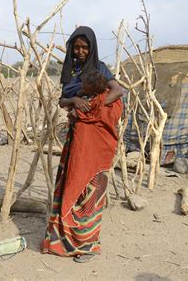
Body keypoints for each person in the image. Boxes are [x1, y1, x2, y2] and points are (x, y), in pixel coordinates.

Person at [42, 26, 124, 263]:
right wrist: (75, 100)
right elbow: (62, 100)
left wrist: (94, 109)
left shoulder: (99, 68)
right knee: (71, 184)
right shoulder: (70, 70)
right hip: (76, 138)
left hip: (94, 139)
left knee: (90, 190)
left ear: (92, 47)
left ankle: (88, 244)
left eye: (84, 47)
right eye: (76, 47)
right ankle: (64, 240)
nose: (80, 51)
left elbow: (117, 91)